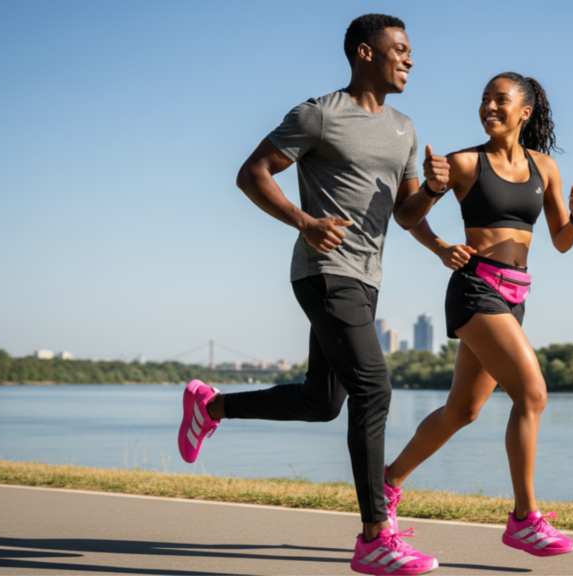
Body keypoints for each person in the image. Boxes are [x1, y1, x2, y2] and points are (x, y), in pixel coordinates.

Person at [175, 13, 441, 576]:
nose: (410, 59)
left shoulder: (405, 128)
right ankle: (375, 536)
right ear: (365, 53)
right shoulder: (319, 114)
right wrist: (303, 220)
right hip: (324, 271)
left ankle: (210, 405)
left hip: (367, 278)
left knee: (323, 403)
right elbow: (253, 173)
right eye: (400, 49)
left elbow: (406, 210)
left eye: (411, 51)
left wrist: (436, 197)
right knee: (374, 389)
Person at [384, 72, 573, 557]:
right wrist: (434, 192)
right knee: (533, 393)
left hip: (515, 297)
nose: (489, 108)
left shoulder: (545, 168)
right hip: (476, 291)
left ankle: (387, 482)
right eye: (484, 100)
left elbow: (561, 241)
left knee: (463, 410)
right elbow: (406, 216)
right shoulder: (463, 163)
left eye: (501, 101)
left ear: (526, 112)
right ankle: (524, 519)